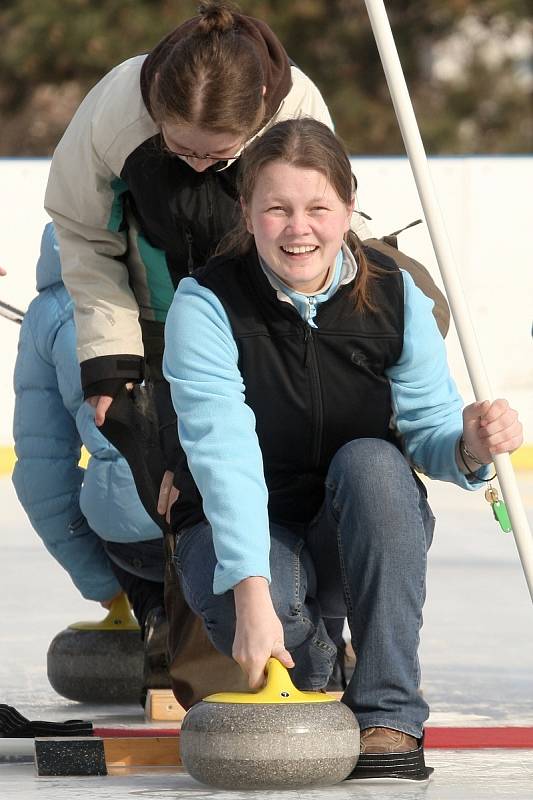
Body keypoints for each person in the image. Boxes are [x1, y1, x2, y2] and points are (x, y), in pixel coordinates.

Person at [162, 118, 523, 781]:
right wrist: (250, 593)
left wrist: (469, 443)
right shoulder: (206, 302)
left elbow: (429, 434)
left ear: (347, 208)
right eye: (276, 209)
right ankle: (321, 665)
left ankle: (387, 713)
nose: (298, 228)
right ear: (246, 211)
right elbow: (224, 454)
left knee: (375, 463)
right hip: (239, 526)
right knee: (268, 600)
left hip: (348, 525)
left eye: (316, 209)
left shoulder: (394, 295)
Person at [44, 1, 447, 527]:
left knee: (415, 293)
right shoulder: (115, 111)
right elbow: (83, 232)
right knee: (148, 489)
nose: (197, 165)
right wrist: (112, 358)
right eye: (181, 149)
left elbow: (325, 213)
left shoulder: (295, 106)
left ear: (258, 110)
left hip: (266, 307)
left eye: (218, 157)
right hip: (162, 308)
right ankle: (168, 597)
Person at [12, 223, 169, 692]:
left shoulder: (48, 312)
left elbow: (42, 476)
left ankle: (154, 612)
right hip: (237, 523)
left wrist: (103, 584)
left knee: (117, 495)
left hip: (135, 537)